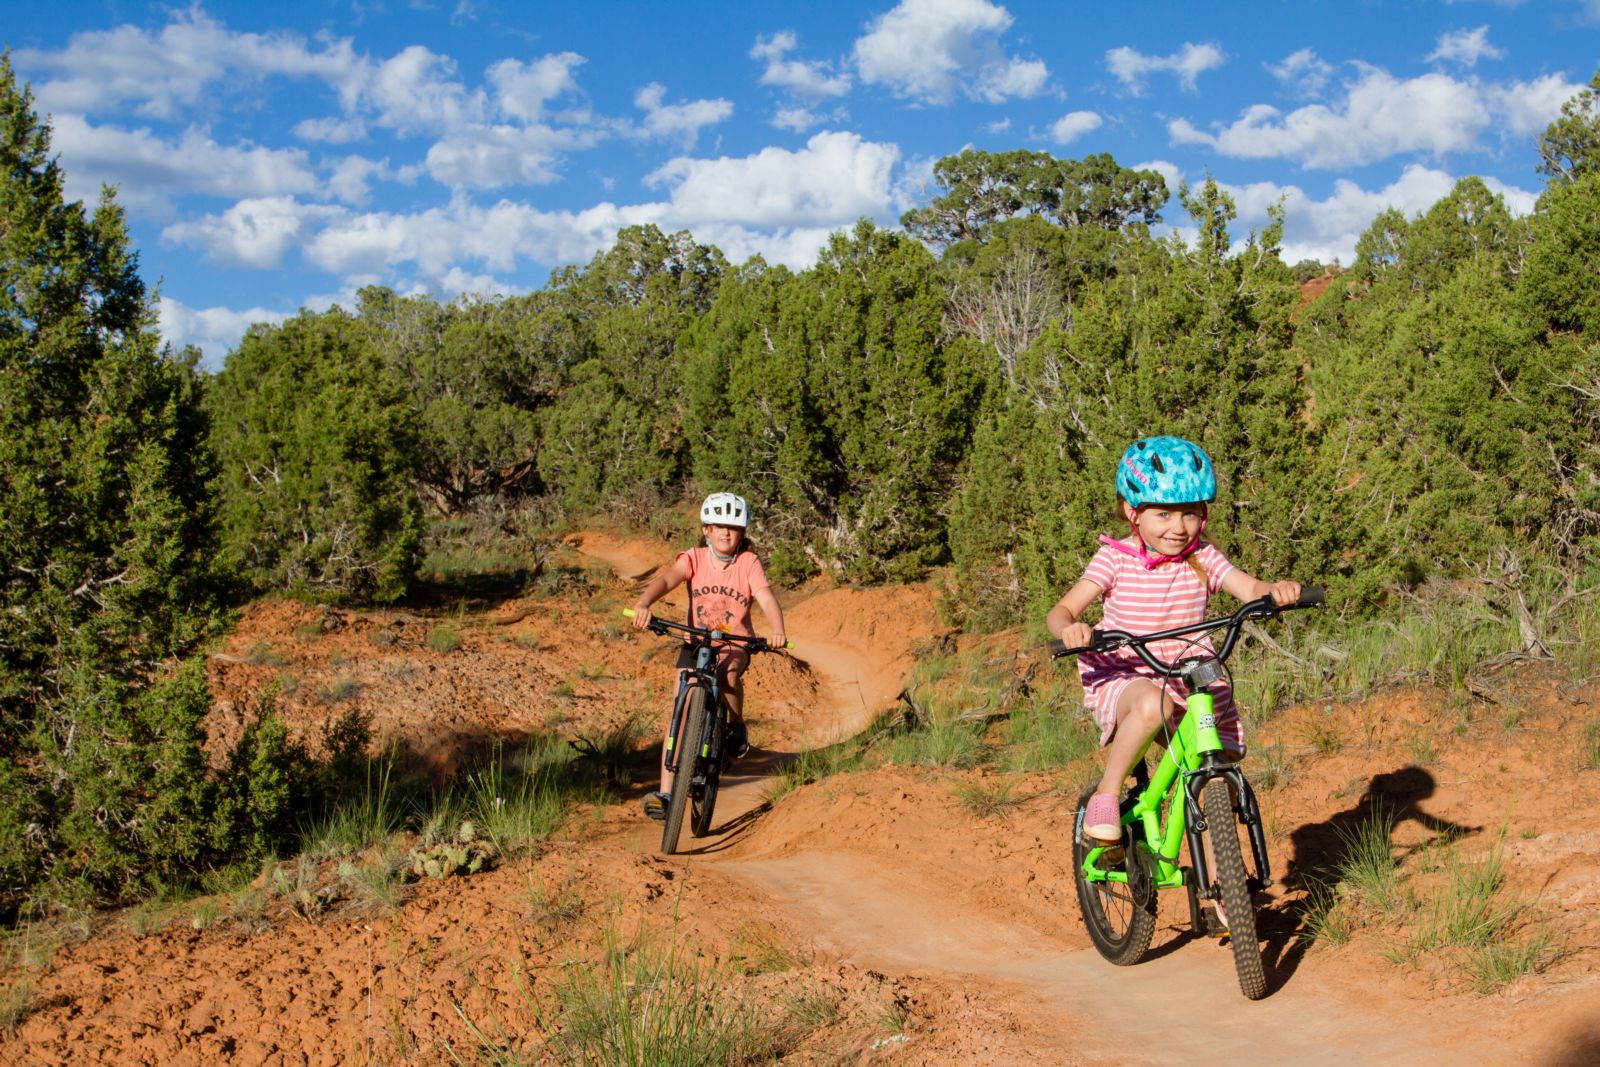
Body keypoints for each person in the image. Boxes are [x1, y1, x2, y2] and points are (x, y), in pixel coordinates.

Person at [1046, 436, 1301, 845]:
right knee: (1153, 704)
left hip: (1189, 670)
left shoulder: (1204, 557)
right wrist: (1070, 630)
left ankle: (1222, 884)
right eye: (1163, 514)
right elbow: (1060, 612)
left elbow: (1248, 586)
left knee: (1213, 763)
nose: (1178, 528)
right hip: (1126, 672)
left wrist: (1275, 591)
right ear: (1133, 512)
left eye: (1189, 514)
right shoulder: (1115, 559)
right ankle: (1106, 797)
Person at [630, 492, 787, 821]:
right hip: (696, 642)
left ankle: (736, 726)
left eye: (733, 528)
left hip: (734, 642)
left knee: (728, 674)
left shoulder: (748, 563)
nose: (726, 533)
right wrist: (644, 604)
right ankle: (666, 793)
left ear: (742, 533)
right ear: (706, 529)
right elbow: (666, 579)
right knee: (679, 708)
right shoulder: (693, 558)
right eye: (719, 527)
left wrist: (777, 629)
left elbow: (766, 598)